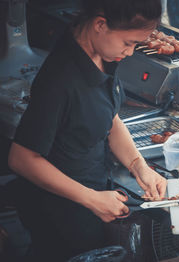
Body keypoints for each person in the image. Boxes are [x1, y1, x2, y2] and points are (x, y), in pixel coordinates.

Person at [7, 0, 167, 261]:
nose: (129, 53)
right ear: (100, 25)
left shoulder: (102, 56)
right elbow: (22, 159)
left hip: (92, 199)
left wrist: (139, 166)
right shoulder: (60, 79)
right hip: (59, 214)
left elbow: (109, 117)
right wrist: (91, 199)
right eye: (128, 43)